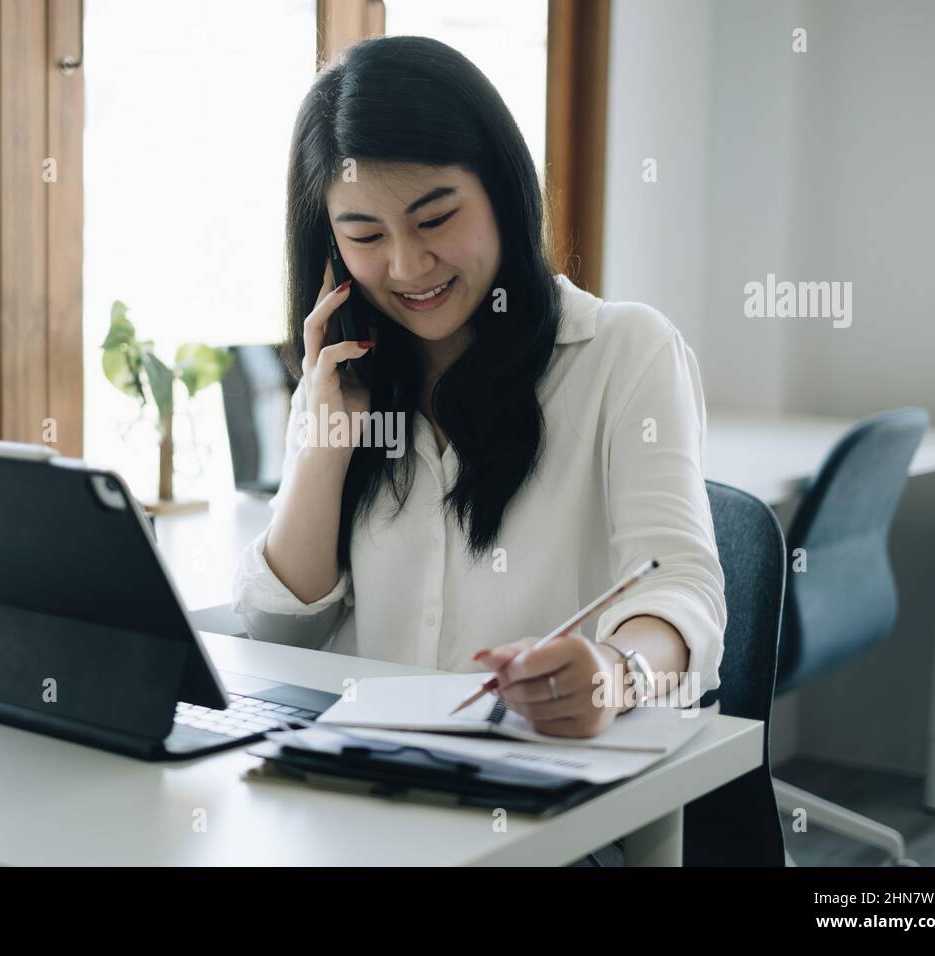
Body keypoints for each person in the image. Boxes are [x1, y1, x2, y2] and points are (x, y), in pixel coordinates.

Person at [232, 35, 726, 758]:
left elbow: (683, 590)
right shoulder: (343, 383)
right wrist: (322, 450)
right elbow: (279, 633)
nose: (407, 265)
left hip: (547, 792)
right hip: (365, 788)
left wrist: (616, 674)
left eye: (435, 219)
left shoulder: (623, 353)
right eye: (365, 234)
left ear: (501, 190)